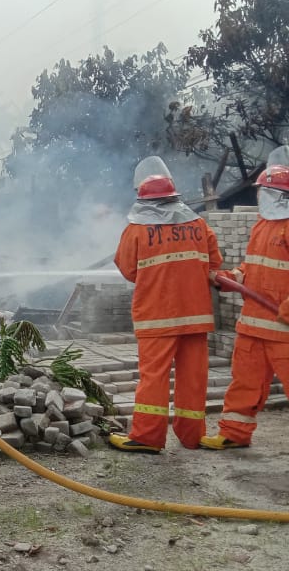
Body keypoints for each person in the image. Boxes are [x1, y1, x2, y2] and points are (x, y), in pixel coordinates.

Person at [109, 156, 222, 455]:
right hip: (195, 317)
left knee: (154, 378)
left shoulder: (136, 231)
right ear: (174, 197)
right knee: (193, 378)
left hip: (156, 318)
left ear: (143, 199)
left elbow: (127, 269)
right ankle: (191, 435)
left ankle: (147, 437)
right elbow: (215, 266)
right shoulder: (199, 225)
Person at [202, 146, 289, 450]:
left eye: (266, 191)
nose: (260, 196)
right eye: (261, 191)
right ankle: (234, 434)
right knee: (244, 384)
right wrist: (231, 278)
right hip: (253, 326)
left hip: (283, 330)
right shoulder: (263, 225)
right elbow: (251, 267)